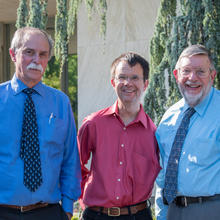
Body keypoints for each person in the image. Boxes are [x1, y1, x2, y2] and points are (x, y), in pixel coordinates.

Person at [0, 27, 81, 220]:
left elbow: (70, 158)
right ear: (13, 54)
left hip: (48, 212)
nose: (36, 60)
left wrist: (68, 208)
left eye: (43, 54)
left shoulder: (60, 102)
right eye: (29, 52)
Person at [77, 52, 161, 220]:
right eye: (121, 77)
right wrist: (86, 197)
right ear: (112, 82)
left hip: (138, 215)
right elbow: (74, 166)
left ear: (145, 84)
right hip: (96, 215)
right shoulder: (93, 123)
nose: (127, 83)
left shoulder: (154, 133)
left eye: (134, 78)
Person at [155, 44, 220, 220]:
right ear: (177, 75)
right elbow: (163, 174)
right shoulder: (168, 117)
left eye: (200, 71)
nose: (192, 78)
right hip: (173, 212)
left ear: (212, 76)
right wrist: (162, 215)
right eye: (186, 71)